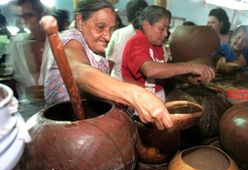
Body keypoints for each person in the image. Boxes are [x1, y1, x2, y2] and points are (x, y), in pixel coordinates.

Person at [42, 0, 173, 130]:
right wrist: (137, 95)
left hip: (88, 124)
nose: (108, 36)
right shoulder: (71, 40)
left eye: (111, 29)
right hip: (63, 128)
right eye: (100, 26)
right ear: (80, 22)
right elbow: (79, 72)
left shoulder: (93, 45)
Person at [121, 5, 215, 101]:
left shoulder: (158, 46)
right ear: (146, 25)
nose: (166, 34)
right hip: (137, 104)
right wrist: (191, 67)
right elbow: (150, 70)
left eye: (167, 29)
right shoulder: (136, 42)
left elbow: (164, 72)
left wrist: (189, 78)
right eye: (161, 29)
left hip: (155, 100)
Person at [7, 0, 46, 102]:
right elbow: (10, 78)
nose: (24, 21)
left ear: (42, 16)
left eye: (29, 16)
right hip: (26, 108)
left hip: (58, 106)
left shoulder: (61, 43)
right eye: (20, 17)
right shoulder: (15, 44)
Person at [106, 0, 148, 80]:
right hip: (142, 85)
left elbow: (109, 62)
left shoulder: (119, 34)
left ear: (127, 15)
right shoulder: (151, 35)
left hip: (118, 82)